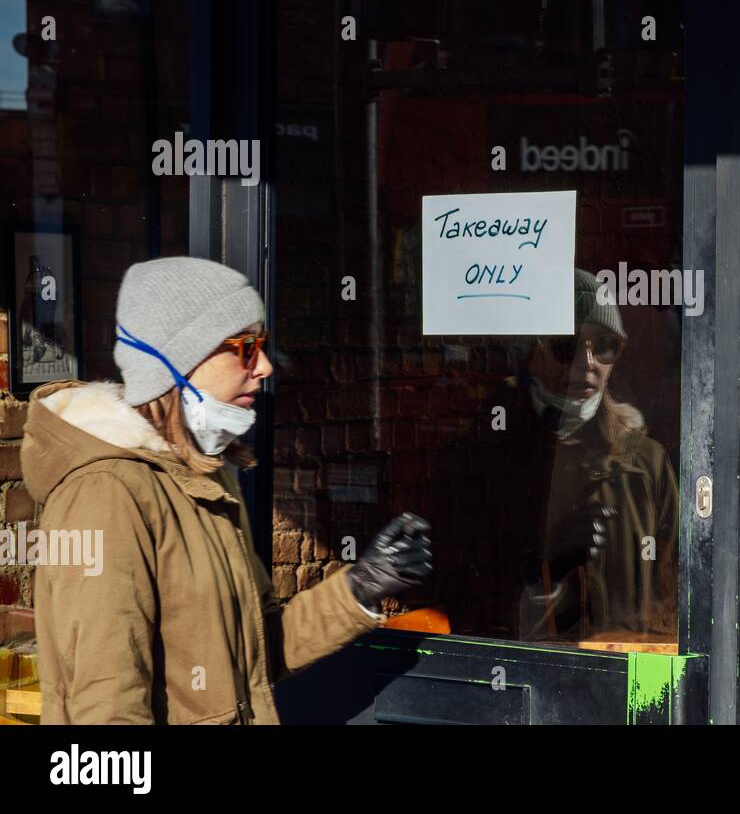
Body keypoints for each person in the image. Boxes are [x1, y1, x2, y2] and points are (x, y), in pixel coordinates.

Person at [21, 256, 432, 724]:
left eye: (263, 345)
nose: (264, 366)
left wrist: (361, 586)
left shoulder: (201, 476)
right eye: (245, 346)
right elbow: (104, 706)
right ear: (179, 359)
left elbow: (256, 651)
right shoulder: (104, 494)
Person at [476, 270, 678, 642]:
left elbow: (674, 585)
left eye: (605, 347)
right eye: (568, 344)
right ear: (537, 348)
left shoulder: (646, 462)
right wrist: (552, 570)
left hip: (627, 669)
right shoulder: (494, 453)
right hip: (530, 672)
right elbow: (477, 596)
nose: (587, 363)